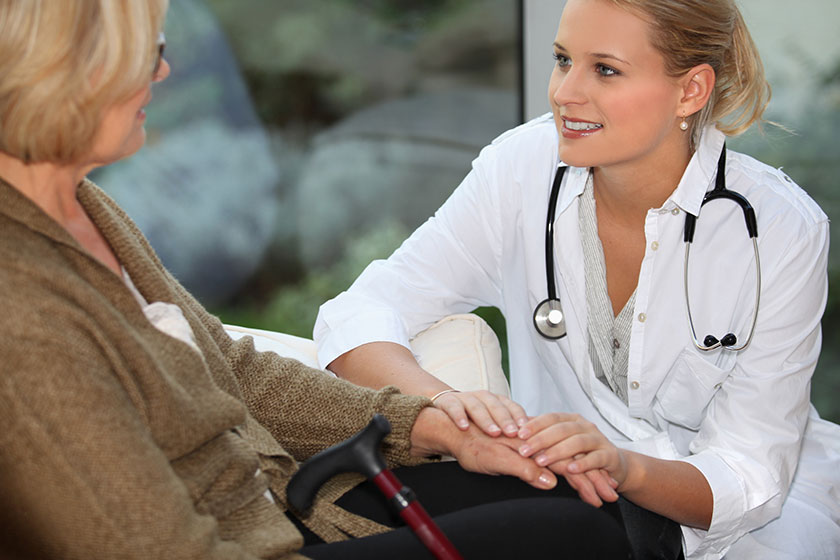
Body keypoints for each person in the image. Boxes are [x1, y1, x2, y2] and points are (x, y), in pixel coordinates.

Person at [0, 1, 636, 559]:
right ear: (60, 71)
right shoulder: (20, 318)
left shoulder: (86, 206)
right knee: (584, 537)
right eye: (145, 54)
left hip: (277, 505)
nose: (163, 73)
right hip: (235, 544)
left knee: (582, 501)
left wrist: (434, 427)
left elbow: (234, 372)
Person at [314, 0, 840, 558]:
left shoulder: (779, 230)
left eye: (605, 69)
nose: (565, 92)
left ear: (690, 91)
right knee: (334, 508)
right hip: (559, 497)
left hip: (735, 529)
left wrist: (624, 465)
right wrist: (445, 408)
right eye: (563, 60)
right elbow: (361, 311)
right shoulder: (521, 169)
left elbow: (750, 477)